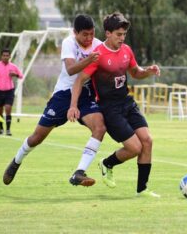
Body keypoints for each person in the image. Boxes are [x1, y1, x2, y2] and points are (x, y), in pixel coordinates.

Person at [2, 14, 106, 187]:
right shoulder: (68, 43)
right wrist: (89, 59)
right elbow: (71, 69)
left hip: (86, 94)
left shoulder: (98, 45)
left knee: (100, 127)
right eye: (85, 35)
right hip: (63, 94)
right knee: (37, 137)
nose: (89, 38)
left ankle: (79, 173)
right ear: (75, 33)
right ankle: (16, 161)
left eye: (92, 34)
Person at [67, 12, 161, 197]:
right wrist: (73, 105)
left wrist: (148, 71)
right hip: (109, 108)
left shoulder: (126, 50)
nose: (122, 38)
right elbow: (79, 80)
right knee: (135, 148)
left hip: (127, 102)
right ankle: (107, 163)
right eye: (118, 34)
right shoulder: (98, 55)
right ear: (108, 33)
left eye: (124, 34)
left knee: (147, 141)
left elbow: (135, 72)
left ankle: (142, 190)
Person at [0, 48, 24, 136]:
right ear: (1, 56)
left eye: (7, 56)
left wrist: (15, 75)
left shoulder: (13, 66)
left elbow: (21, 76)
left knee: (8, 108)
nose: (5, 57)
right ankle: (1, 128)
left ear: (10, 56)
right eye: (4, 55)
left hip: (9, 91)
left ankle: (8, 129)